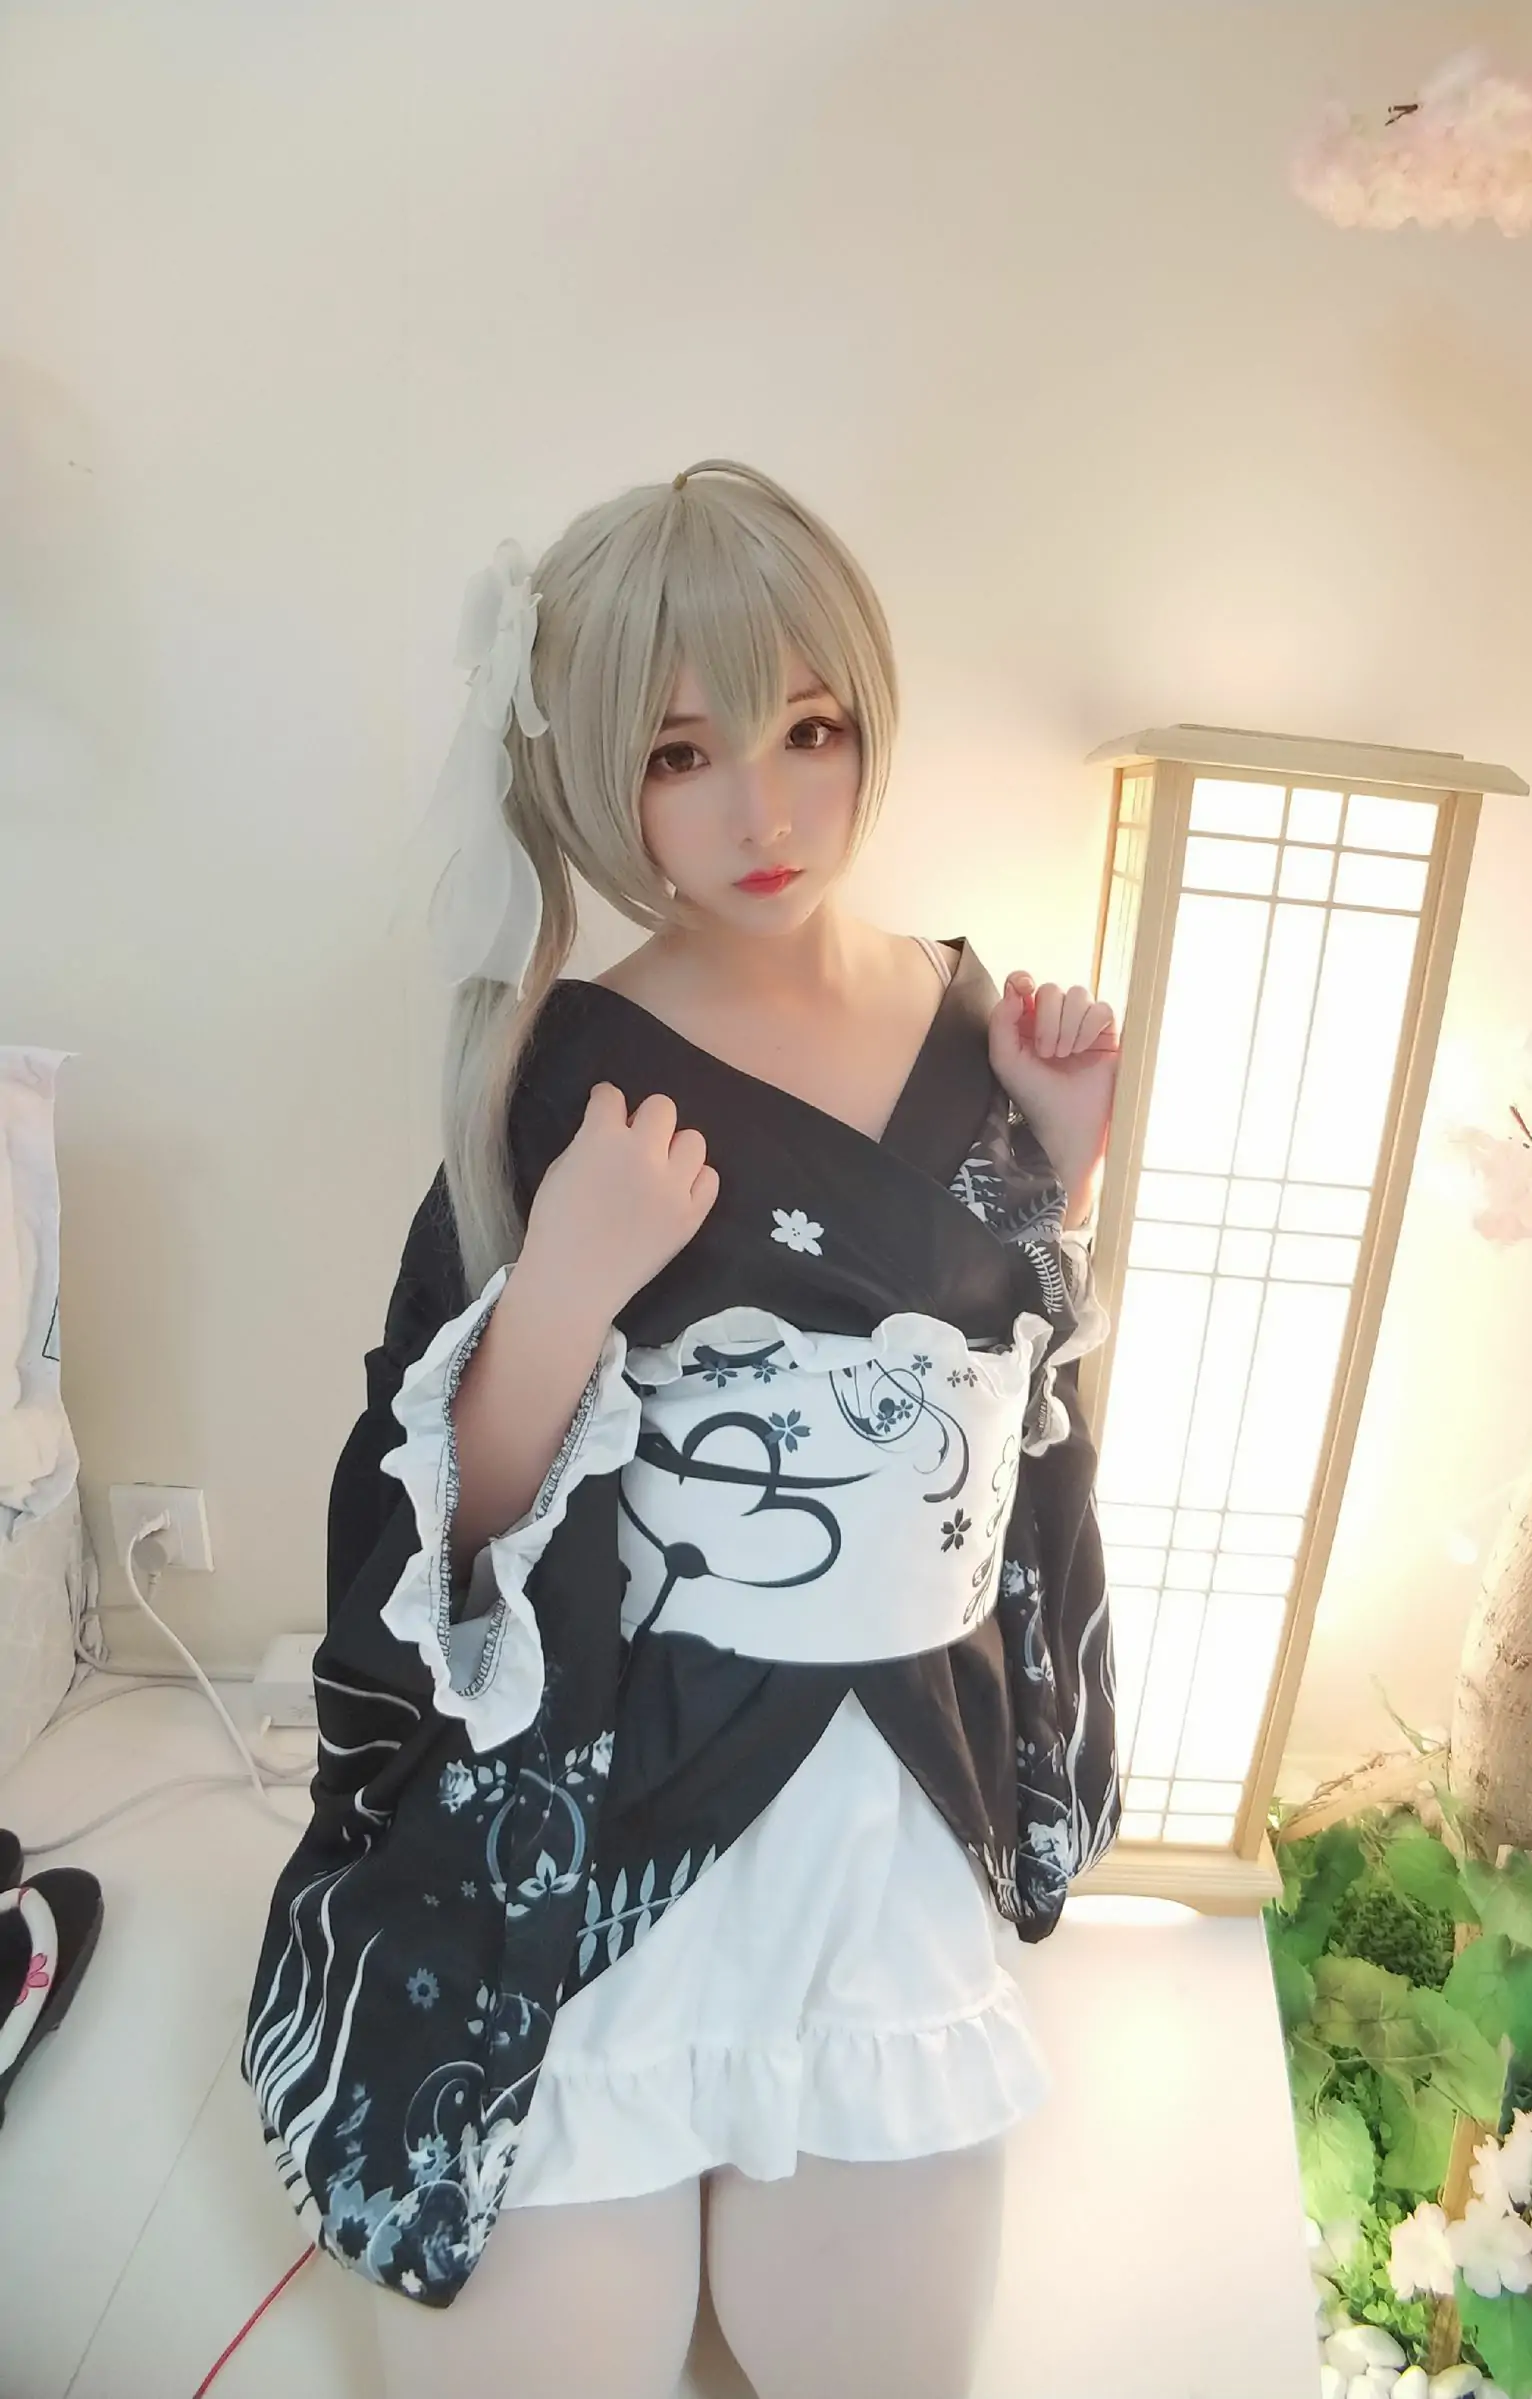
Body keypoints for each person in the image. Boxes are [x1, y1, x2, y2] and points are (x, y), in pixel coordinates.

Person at [241, 459, 1122, 2399]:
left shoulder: (976, 1022)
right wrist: (565, 1282)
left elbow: (991, 1431)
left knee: (879, 2366)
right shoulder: (557, 1069)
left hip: (883, 1811)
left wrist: (1057, 1168)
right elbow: (447, 1535)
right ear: (590, 773)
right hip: (612, 1807)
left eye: (810, 729)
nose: (767, 810)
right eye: (681, 753)